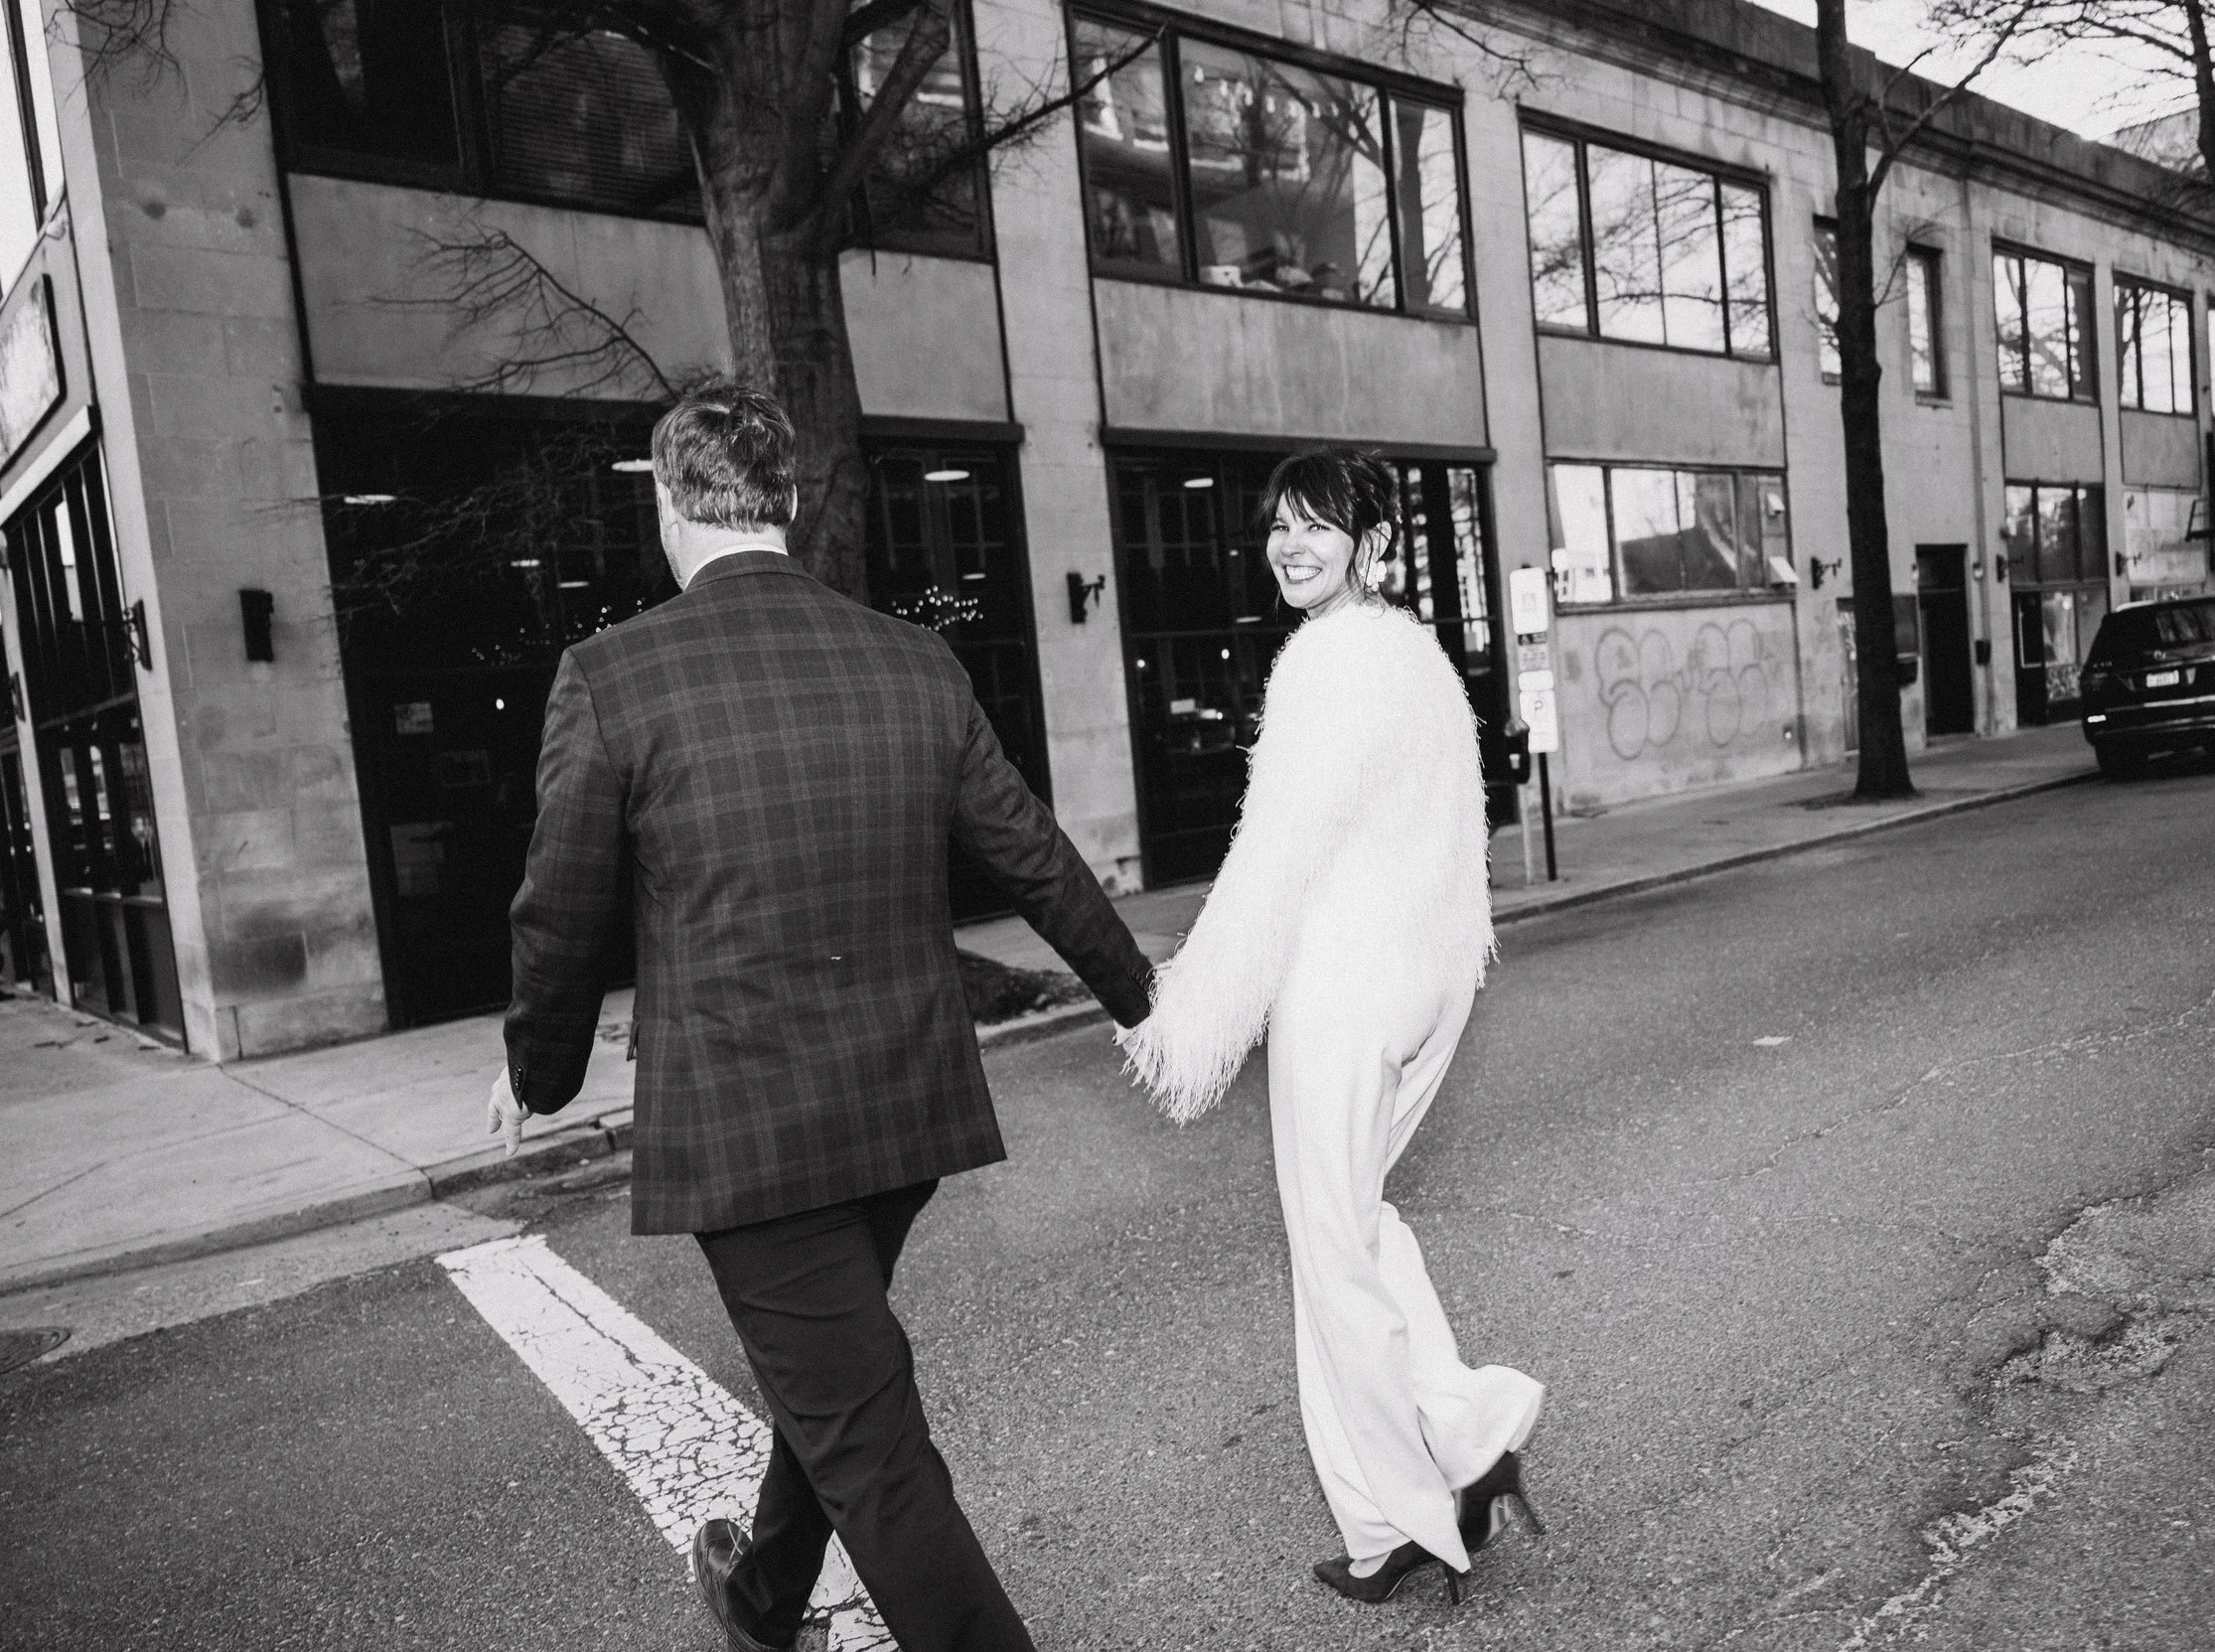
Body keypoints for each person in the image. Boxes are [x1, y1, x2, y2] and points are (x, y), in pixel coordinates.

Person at [484, 383, 1153, 1652]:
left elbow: (556, 908)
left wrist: (540, 1071)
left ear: (671, 505)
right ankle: (764, 1593)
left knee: (868, 1435)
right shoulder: (912, 658)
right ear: (786, 503)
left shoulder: (611, 676)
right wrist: (1143, 1000)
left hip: (752, 1133)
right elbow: (1033, 853)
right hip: (899, 1115)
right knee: (835, 1379)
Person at [1115, 447, 1545, 1605]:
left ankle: (1418, 1489)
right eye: (1277, 527)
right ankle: (1441, 1455)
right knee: (1357, 1225)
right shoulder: (1413, 657)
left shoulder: (1327, 661)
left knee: (1330, 1251)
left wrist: (1186, 1012)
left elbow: (1275, 857)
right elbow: (1461, 838)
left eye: (1318, 526)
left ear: (1374, 543)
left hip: (1348, 989)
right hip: (1423, 984)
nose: (1289, 545)